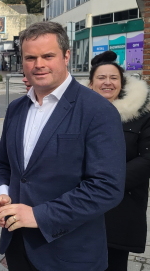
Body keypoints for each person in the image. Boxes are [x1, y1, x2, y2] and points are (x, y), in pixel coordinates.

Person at [0, 21, 126, 271]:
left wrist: (39, 216)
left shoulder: (98, 110)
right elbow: (3, 165)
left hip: (69, 253)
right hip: (17, 247)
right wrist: (1, 194)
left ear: (66, 56)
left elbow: (107, 188)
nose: (38, 64)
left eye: (47, 56)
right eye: (30, 57)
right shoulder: (16, 109)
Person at [84, 51, 150, 271]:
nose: (107, 83)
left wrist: (110, 182)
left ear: (122, 84)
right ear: (91, 83)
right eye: (101, 78)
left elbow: (147, 158)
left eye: (114, 78)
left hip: (122, 205)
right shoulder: (79, 114)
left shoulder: (141, 115)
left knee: (114, 263)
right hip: (83, 202)